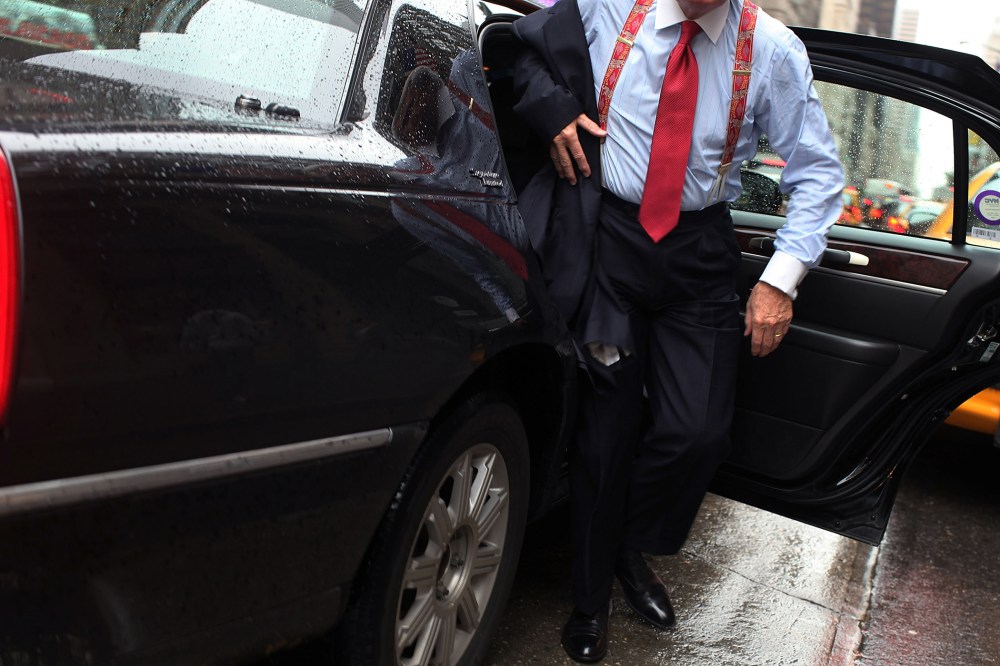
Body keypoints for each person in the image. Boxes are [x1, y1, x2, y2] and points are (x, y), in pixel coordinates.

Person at [510, 0, 845, 662]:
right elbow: (516, 47)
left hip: (699, 253)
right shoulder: (605, 5)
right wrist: (550, 110)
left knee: (698, 433)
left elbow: (818, 175)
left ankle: (627, 546)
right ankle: (589, 598)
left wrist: (779, 280)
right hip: (609, 239)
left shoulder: (772, 51)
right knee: (607, 430)